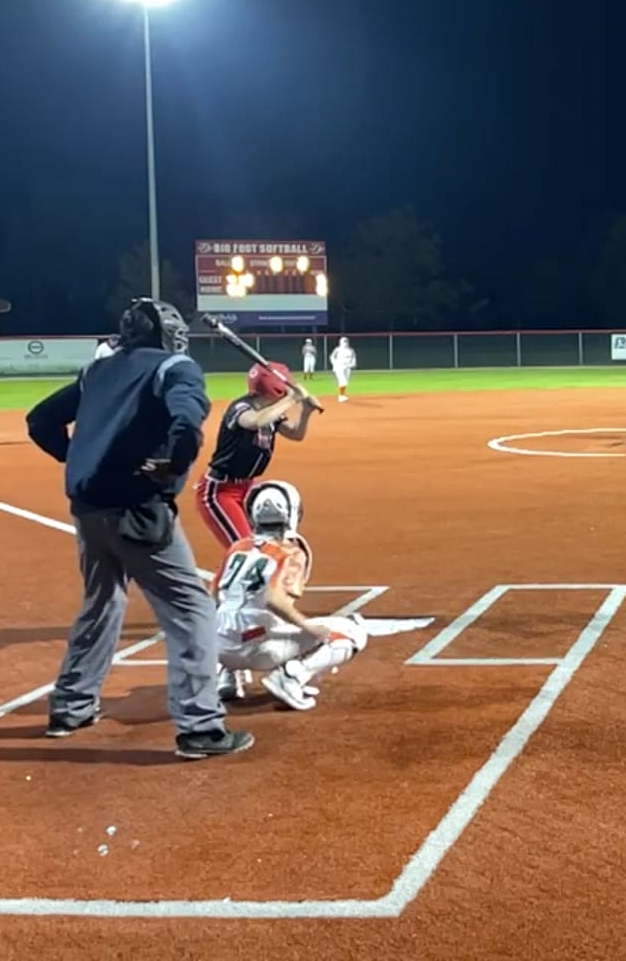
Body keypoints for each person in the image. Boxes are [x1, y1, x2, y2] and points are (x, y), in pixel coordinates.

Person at [25, 297, 253, 761]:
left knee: (102, 602)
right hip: (138, 509)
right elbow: (188, 419)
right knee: (191, 610)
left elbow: (40, 420)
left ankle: (71, 707)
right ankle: (200, 727)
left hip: (88, 509)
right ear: (167, 335)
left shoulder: (98, 370)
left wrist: (77, 457)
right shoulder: (175, 367)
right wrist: (173, 461)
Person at [214, 480, 369, 712]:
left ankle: (226, 677)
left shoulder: (237, 548)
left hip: (218, 648)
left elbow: (214, 596)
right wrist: (309, 627)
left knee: (236, 612)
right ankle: (291, 677)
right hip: (258, 650)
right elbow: (274, 600)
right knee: (352, 631)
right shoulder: (290, 553)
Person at [193, 362, 318, 550]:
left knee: (264, 545)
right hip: (220, 490)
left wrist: (306, 412)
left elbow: (296, 434)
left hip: (248, 488)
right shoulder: (240, 407)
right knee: (246, 550)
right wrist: (292, 399)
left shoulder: (271, 412)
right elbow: (255, 421)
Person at [329, 336, 357, 403]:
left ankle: (342, 395)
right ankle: (341, 397)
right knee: (343, 381)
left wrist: (353, 363)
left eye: (346, 341)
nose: (345, 343)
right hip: (339, 367)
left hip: (347, 367)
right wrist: (334, 364)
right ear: (340, 342)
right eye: (344, 341)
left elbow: (353, 357)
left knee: (345, 382)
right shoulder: (337, 350)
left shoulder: (351, 350)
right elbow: (332, 357)